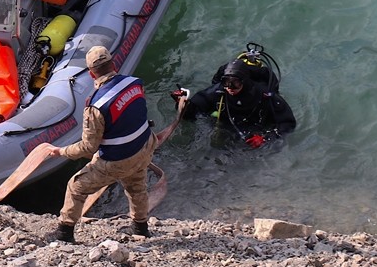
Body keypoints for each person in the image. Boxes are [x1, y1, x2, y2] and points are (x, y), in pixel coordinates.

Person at [43, 45, 181, 243]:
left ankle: (64, 233)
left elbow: (88, 147)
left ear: (91, 74)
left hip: (118, 160)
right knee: (136, 186)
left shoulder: (96, 106)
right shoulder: (134, 83)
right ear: (113, 64)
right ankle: (140, 227)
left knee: (76, 186)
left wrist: (61, 151)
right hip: (144, 146)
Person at [180, 58, 297, 148]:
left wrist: (265, 138)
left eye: (235, 83)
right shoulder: (218, 92)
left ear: (244, 81)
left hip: (256, 130)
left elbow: (288, 123)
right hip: (226, 127)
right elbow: (191, 112)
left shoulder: (264, 95)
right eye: (226, 82)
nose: (230, 87)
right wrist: (183, 104)